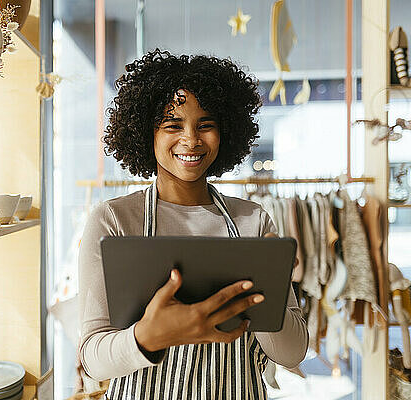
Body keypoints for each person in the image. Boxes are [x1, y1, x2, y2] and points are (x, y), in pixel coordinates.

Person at [78, 49, 308, 400]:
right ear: (146, 132)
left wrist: (268, 291)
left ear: (226, 132)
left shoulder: (253, 221)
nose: (191, 139)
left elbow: (291, 353)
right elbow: (92, 357)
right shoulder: (113, 220)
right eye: (173, 125)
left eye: (206, 124)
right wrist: (147, 337)